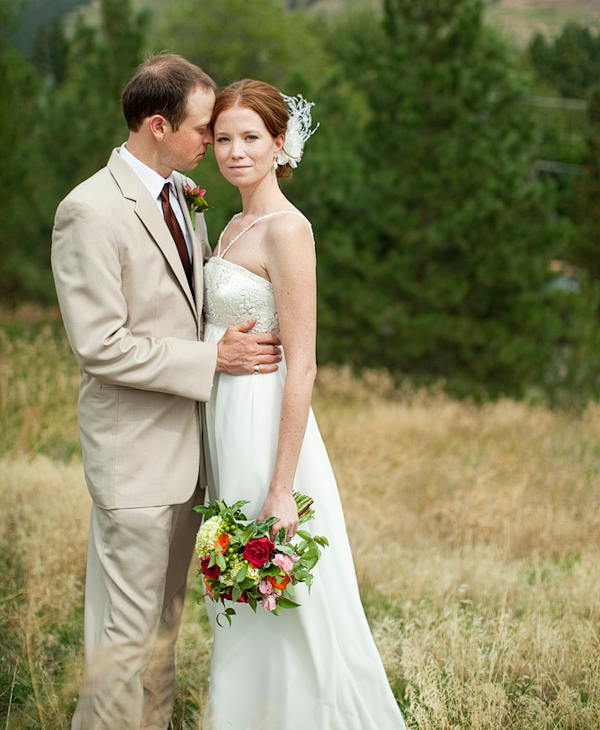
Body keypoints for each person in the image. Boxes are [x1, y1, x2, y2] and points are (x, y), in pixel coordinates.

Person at [51, 54, 282, 730]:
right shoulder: (87, 211)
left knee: (162, 633)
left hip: (193, 457)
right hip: (136, 459)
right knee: (123, 644)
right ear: (159, 124)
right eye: (204, 129)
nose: (214, 142)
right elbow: (100, 344)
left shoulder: (182, 195)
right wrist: (212, 360)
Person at [201, 79, 406, 729]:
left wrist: (283, 485)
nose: (235, 151)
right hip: (223, 422)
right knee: (237, 590)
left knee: (290, 600)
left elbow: (304, 361)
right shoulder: (232, 223)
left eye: (251, 138)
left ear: (280, 143)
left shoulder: (288, 230)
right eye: (224, 138)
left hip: (266, 428)